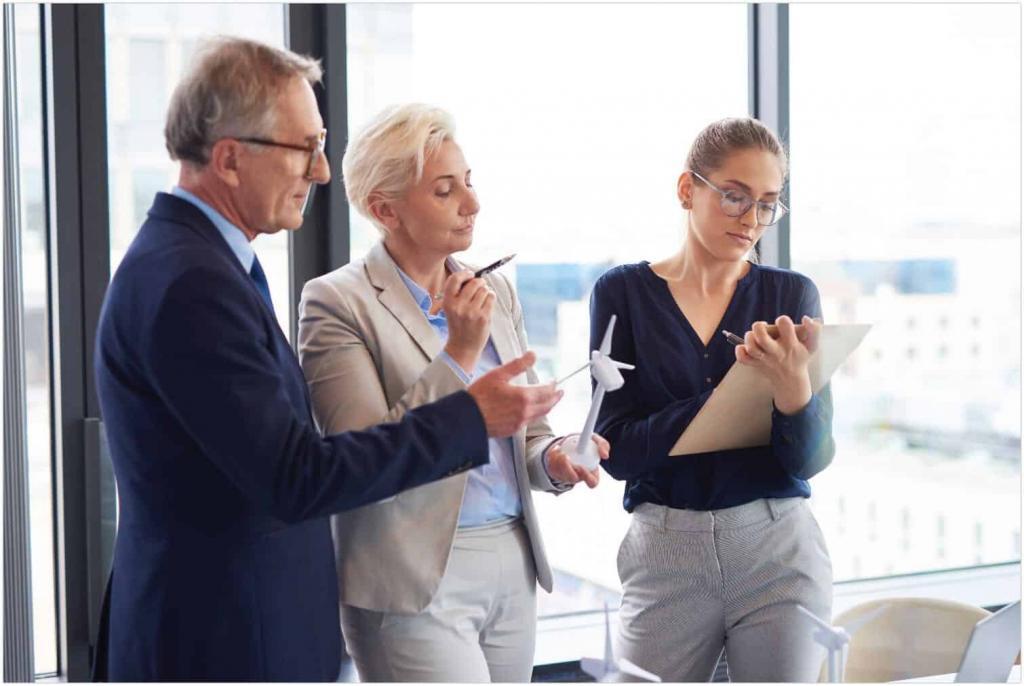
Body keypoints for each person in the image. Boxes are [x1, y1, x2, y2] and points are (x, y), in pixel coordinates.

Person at [92, 39, 561, 682]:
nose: (318, 173)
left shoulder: (208, 264)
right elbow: (298, 475)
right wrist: (469, 414)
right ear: (229, 159)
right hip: (222, 639)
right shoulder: (190, 282)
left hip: (246, 625)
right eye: (304, 148)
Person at [297, 103, 609, 682]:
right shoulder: (336, 303)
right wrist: (459, 352)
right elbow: (363, 454)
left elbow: (524, 433)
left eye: (468, 182)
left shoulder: (494, 287)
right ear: (382, 209)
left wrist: (555, 458)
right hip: (412, 575)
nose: (472, 203)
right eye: (445, 191)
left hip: (513, 559)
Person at [590, 117, 835, 682]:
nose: (751, 220)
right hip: (665, 551)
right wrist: (736, 396)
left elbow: (810, 460)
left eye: (768, 203)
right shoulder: (622, 294)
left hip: (778, 546)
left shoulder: (790, 295)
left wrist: (792, 387)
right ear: (687, 190)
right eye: (734, 197)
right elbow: (618, 451)